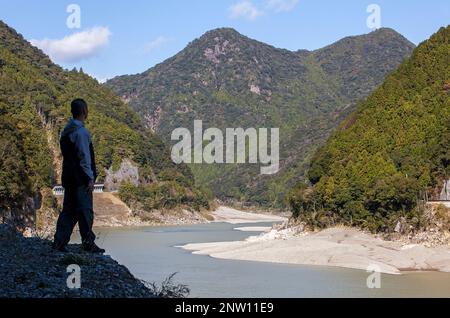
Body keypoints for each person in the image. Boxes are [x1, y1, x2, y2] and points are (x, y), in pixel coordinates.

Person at [52, 99, 105, 254]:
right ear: (83, 110)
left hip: (68, 176)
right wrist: (90, 178)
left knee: (69, 210)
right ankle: (88, 243)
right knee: (85, 210)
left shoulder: (66, 131)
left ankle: (59, 242)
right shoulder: (81, 132)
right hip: (80, 178)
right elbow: (84, 158)